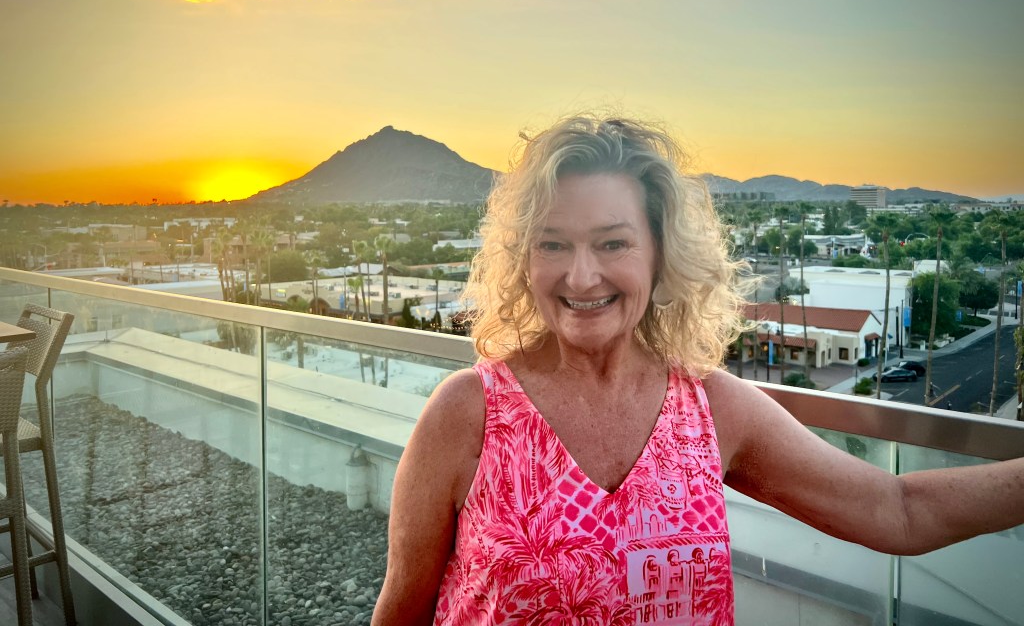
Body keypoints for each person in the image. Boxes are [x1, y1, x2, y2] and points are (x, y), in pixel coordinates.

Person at [371, 114, 1024, 625]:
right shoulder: (469, 414)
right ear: (523, 258)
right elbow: (401, 613)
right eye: (552, 243)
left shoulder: (709, 410)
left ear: (660, 256)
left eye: (612, 242)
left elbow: (898, 509)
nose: (581, 274)